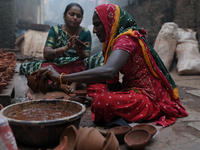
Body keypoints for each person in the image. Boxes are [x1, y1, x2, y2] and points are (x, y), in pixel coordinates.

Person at [33, 3, 188, 127]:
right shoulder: (113, 42)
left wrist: (61, 78)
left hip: (148, 97)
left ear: (110, 23)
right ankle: (114, 108)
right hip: (130, 89)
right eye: (93, 25)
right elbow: (108, 77)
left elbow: (108, 71)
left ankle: (119, 113)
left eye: (98, 25)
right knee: (94, 86)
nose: (93, 30)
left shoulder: (126, 39)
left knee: (101, 102)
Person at [19, 3, 92, 93]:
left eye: (79, 16)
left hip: (76, 65)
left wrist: (81, 52)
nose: (75, 18)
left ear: (81, 19)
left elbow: (87, 57)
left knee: (90, 64)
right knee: (26, 67)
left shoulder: (86, 33)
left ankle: (74, 83)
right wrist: (65, 49)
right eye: (72, 14)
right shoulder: (56, 30)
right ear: (64, 16)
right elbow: (46, 54)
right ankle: (60, 84)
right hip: (56, 65)